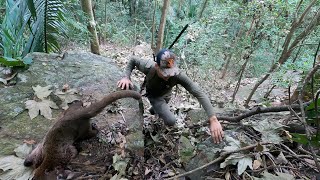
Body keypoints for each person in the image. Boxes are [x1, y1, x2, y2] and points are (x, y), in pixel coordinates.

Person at [117, 49, 224, 143]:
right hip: (152, 93)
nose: (168, 76)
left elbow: (198, 92)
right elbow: (133, 60)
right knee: (165, 115)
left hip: (163, 97)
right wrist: (126, 77)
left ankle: (154, 111)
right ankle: (154, 110)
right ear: (156, 66)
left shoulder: (178, 75)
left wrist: (213, 119)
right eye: (164, 72)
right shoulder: (148, 66)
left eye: (170, 72)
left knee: (170, 120)